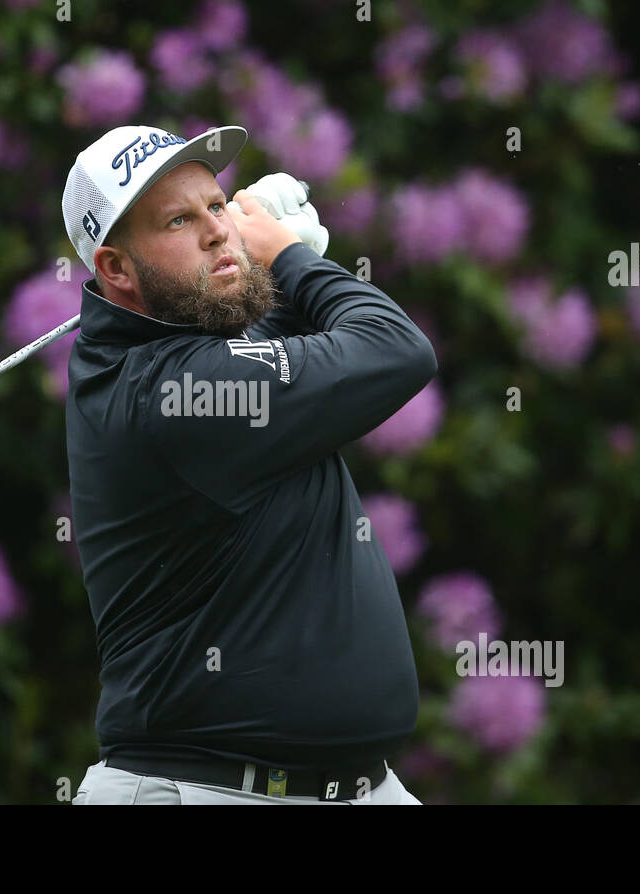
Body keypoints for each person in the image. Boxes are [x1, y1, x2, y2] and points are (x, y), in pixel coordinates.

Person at [61, 124, 437, 804]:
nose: (216, 230)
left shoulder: (185, 355)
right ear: (116, 269)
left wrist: (267, 266)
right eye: (179, 220)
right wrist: (291, 257)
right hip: (206, 790)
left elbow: (268, 346)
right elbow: (395, 348)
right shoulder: (175, 395)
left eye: (218, 206)